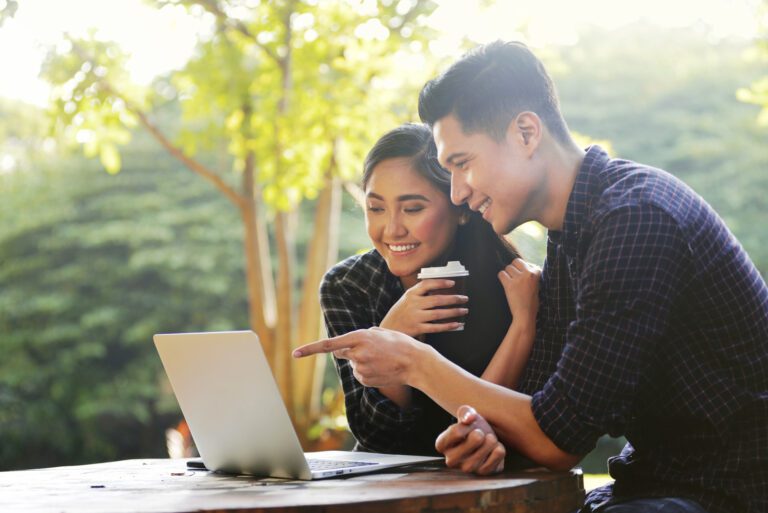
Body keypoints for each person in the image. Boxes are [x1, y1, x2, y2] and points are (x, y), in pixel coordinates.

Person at [295, 41, 768, 513]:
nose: (457, 193)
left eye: (462, 164)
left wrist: (416, 363)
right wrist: (484, 432)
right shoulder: (573, 237)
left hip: (728, 489)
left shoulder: (635, 218)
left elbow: (559, 439)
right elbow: (540, 405)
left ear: (525, 133)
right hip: (653, 483)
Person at [320, 122, 541, 456]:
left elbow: (488, 422)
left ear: (460, 209)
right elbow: (377, 437)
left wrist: (522, 327)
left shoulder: (518, 287)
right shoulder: (349, 286)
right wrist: (392, 333)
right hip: (390, 484)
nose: (392, 229)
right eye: (376, 208)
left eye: (413, 209)